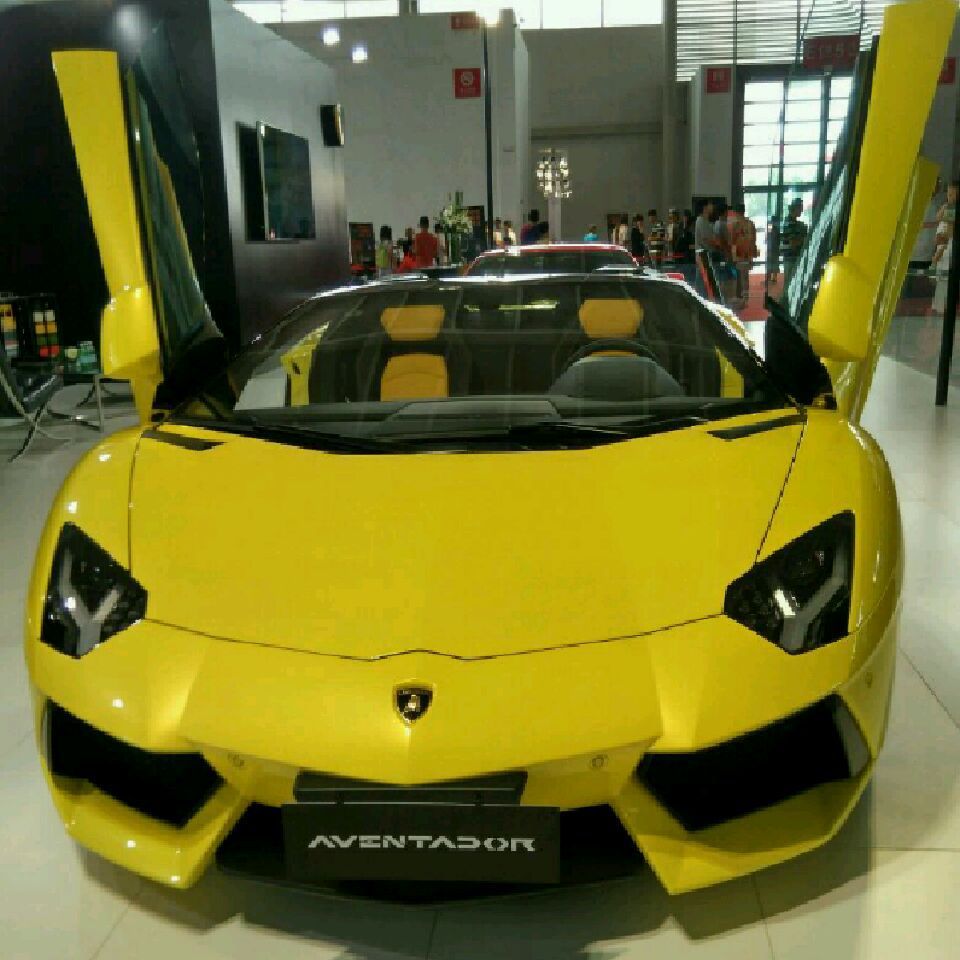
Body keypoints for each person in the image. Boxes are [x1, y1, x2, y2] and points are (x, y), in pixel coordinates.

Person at [729, 203, 759, 306]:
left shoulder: (735, 225)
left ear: (736, 212)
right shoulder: (750, 224)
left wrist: (733, 256)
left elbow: (733, 242)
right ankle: (745, 298)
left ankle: (742, 298)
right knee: (744, 277)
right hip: (747, 253)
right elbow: (753, 240)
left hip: (740, 254)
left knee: (740, 277)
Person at [781, 198, 808, 296]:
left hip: (791, 257)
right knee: (790, 283)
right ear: (795, 208)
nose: (801, 210)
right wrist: (803, 238)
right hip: (791, 257)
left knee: (790, 282)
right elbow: (793, 243)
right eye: (800, 208)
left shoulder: (793, 223)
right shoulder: (790, 223)